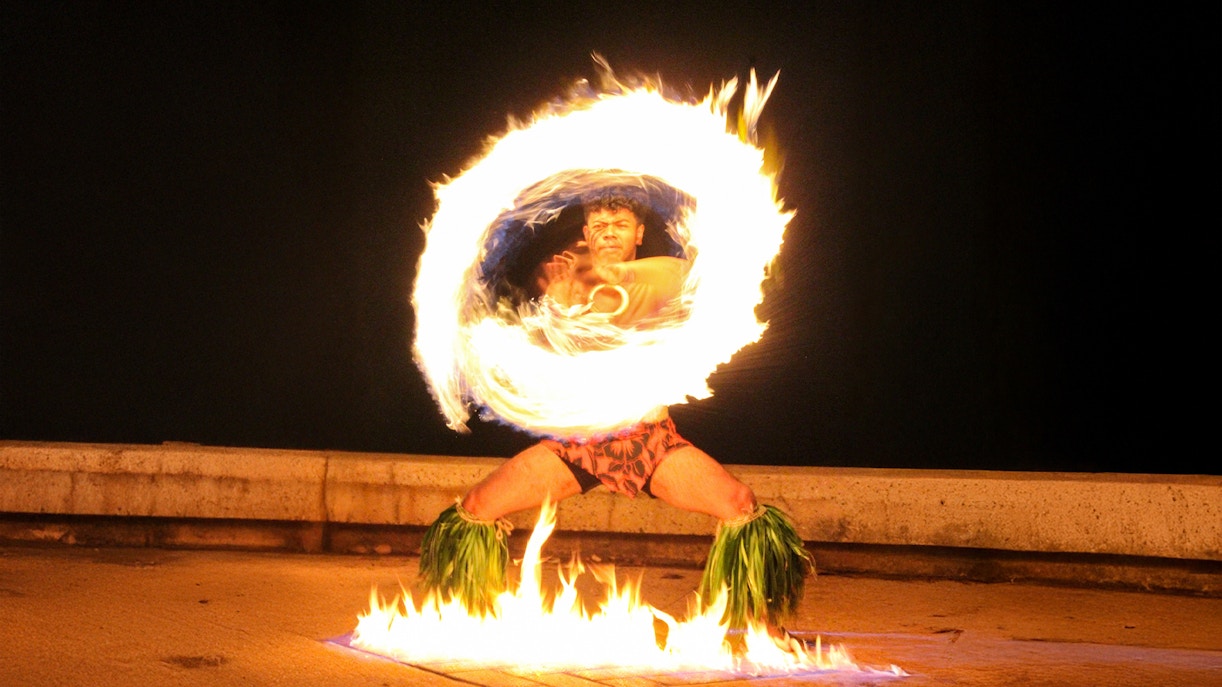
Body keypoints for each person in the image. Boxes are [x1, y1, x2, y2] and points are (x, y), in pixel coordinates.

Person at [418, 189, 811, 647]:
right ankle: (461, 617)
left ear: (639, 233)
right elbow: (545, 357)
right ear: (586, 232)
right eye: (599, 226)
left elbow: (688, 281)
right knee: (476, 508)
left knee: (741, 505)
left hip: (648, 443)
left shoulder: (668, 274)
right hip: (577, 446)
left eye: (619, 225)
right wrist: (559, 310)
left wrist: (603, 279)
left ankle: (768, 632)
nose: (608, 233)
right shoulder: (566, 283)